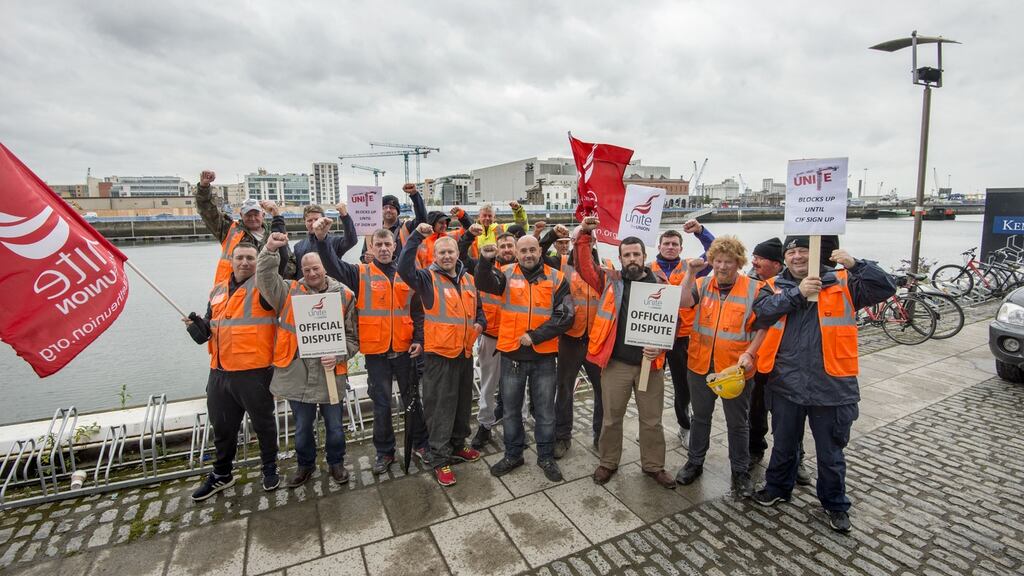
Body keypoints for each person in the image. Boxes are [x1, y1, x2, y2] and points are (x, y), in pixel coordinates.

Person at [751, 236, 895, 533]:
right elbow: (761, 314)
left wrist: (856, 264)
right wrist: (798, 294)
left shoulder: (844, 283)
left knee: (831, 453)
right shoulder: (772, 286)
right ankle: (778, 487)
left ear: (817, 253)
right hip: (786, 384)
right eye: (791, 252)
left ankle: (834, 504)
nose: (797, 257)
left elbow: (886, 287)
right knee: (784, 444)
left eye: (804, 250)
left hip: (832, 386)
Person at [574, 217, 677, 490]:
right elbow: (584, 266)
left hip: (650, 364)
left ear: (645, 257)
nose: (632, 259)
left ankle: (654, 465)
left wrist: (661, 347)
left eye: (636, 254)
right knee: (611, 418)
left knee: (652, 420)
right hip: (616, 364)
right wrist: (585, 233)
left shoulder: (661, 285)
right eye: (626, 255)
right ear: (620, 258)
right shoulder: (611, 281)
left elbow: (672, 325)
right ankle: (608, 462)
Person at [257, 232, 359, 488]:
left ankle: (336, 462)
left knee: (335, 426)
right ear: (300, 270)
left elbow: (353, 338)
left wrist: (338, 354)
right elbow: (267, 280)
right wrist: (269, 251)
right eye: (306, 269)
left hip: (331, 374)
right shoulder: (289, 291)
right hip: (297, 374)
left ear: (324, 267)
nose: (311, 273)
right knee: (302, 428)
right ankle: (305, 465)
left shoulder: (345, 295)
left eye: (316, 268)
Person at [183, 243, 280, 501]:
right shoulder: (217, 290)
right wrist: (198, 326)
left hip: (254, 372)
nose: (245, 262)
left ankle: (269, 466)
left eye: (250, 258)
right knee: (223, 428)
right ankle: (222, 474)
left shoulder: (264, 288)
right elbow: (210, 326)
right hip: (220, 372)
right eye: (240, 258)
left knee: (264, 425)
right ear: (232, 260)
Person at [475, 235, 575, 481]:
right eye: (523, 251)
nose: (528, 254)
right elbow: (484, 282)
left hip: (543, 355)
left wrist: (536, 336)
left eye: (532, 250)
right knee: (510, 411)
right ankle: (513, 454)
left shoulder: (556, 277)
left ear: (540, 251)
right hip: (512, 354)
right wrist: (485, 261)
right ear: (516, 253)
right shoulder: (505, 273)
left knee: (545, 411)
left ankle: (545, 456)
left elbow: (566, 315)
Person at [333, 227, 431, 474]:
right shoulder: (360, 273)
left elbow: (418, 312)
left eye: (388, 244)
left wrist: (419, 339)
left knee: (413, 401)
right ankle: (385, 452)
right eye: (379, 245)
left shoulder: (408, 274)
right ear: (371, 248)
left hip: (405, 350)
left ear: (395, 246)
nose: (384, 248)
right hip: (376, 354)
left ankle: (420, 443)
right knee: (381, 404)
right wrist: (322, 240)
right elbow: (332, 266)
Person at [675, 236, 765, 498]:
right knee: (700, 417)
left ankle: (739, 471)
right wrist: (690, 273)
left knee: (737, 423)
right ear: (711, 261)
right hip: (700, 364)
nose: (722, 266)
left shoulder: (754, 289)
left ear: (739, 263)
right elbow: (682, 301)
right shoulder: (701, 284)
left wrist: (751, 353)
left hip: (735, 369)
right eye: (717, 261)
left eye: (729, 262)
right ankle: (695, 462)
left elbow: (763, 326)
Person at [399, 222, 485, 486]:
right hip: (439, 356)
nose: (447, 256)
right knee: (440, 409)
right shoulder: (426, 279)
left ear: (457, 253)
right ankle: (440, 458)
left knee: (461, 404)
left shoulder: (468, 279)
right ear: (434, 257)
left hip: (463, 353)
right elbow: (403, 267)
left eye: (450, 252)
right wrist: (415, 236)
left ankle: (459, 444)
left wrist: (480, 323)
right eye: (441, 253)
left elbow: (478, 309)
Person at [456, 228, 528, 449]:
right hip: (491, 338)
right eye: (502, 246)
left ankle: (519, 427)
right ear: (497, 249)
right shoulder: (484, 268)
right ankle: (485, 426)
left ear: (516, 249)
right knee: (488, 385)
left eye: (510, 246)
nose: (506, 250)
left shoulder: (525, 271)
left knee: (519, 388)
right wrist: (468, 236)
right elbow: (461, 257)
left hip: (517, 339)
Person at [649, 220, 715, 440]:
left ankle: (684, 426)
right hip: (654, 334)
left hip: (682, 336)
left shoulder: (691, 266)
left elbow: (714, 252)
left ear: (680, 248)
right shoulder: (648, 268)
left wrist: (701, 231)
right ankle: (650, 427)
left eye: (674, 244)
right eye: (666, 243)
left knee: (683, 386)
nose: (670, 247)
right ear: (659, 246)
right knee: (648, 386)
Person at [195, 170, 292, 282]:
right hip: (235, 291)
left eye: (256, 214)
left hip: (268, 292)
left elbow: (288, 259)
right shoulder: (228, 230)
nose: (252, 218)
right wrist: (204, 187)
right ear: (241, 215)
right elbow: (207, 211)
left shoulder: (274, 233)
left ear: (263, 215)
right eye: (248, 215)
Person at [359, 183, 427, 262]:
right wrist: (366, 258)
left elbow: (422, 220)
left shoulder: (407, 227)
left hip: (403, 273)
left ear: (398, 212)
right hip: (379, 273)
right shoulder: (373, 230)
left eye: (392, 208)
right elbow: (364, 254)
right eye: (385, 207)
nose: (388, 210)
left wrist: (414, 195)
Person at [292, 202, 357, 281]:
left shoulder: (334, 242)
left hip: (330, 289)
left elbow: (351, 240)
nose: (313, 223)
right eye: (309, 220)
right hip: (306, 290)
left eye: (316, 219)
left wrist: (345, 216)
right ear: (305, 223)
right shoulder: (298, 246)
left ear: (324, 220)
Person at [450, 201, 528, 259]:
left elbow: (522, 226)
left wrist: (518, 211)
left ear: (494, 218)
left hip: (498, 269)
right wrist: (461, 214)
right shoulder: (471, 231)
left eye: (490, 216)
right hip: (475, 270)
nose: (487, 218)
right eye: (484, 215)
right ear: (479, 217)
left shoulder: (502, 228)